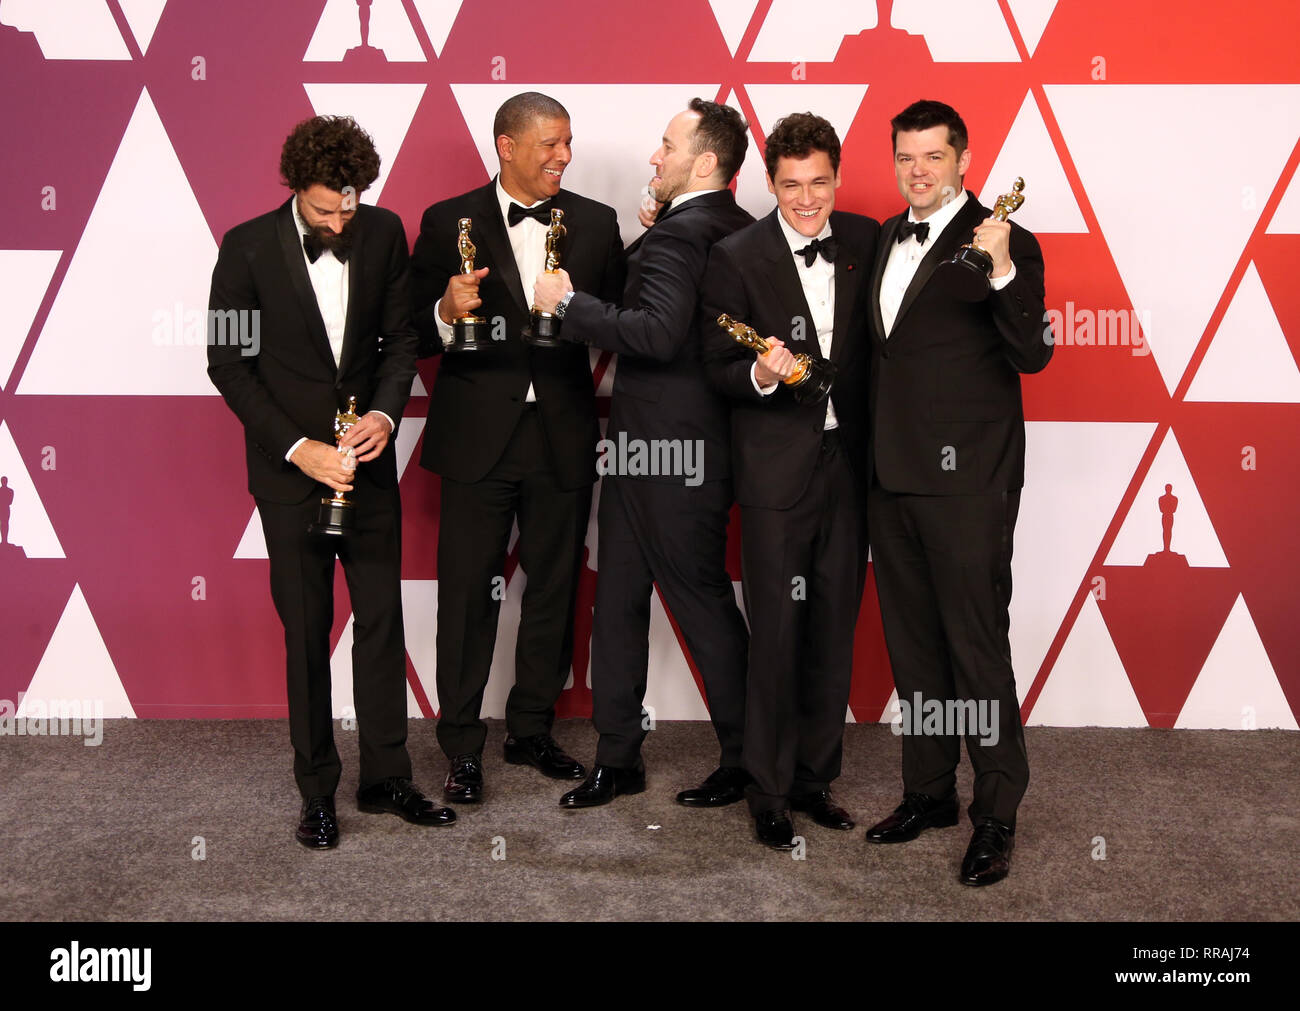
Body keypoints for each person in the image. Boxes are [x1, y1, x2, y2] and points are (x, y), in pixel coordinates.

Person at [208, 115, 455, 850]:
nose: (341, 218)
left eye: (350, 202)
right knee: (308, 634)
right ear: (294, 190)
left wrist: (384, 413)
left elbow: (403, 337)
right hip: (292, 477)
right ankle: (317, 792)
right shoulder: (246, 246)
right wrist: (297, 448)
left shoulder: (382, 233)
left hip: (368, 468)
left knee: (381, 625)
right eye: (325, 208)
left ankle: (387, 779)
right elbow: (229, 365)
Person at [530, 99, 754, 809]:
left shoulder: (686, 235)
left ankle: (749, 757)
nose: (654, 157)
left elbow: (656, 332)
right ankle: (619, 752)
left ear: (705, 162)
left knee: (698, 603)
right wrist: (646, 238)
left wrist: (566, 306)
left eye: (666, 146)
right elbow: (664, 302)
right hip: (655, 454)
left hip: (670, 456)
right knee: (619, 600)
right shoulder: (730, 225)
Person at [409, 92, 626, 804]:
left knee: (555, 588)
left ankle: (531, 729)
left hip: (560, 436)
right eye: (550, 144)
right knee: (466, 595)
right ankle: (462, 748)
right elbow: (410, 332)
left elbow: (625, 325)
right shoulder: (448, 221)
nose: (564, 156)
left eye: (568, 143)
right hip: (477, 439)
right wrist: (447, 311)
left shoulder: (596, 223)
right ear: (506, 145)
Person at [863, 99, 1053, 885]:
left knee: (975, 649)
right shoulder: (882, 234)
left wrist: (1003, 268)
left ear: (965, 160)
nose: (918, 171)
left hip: (967, 480)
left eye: (933, 157)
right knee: (914, 646)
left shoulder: (1006, 240)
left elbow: (1032, 354)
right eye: (906, 156)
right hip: (889, 476)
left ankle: (997, 810)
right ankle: (930, 790)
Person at [699, 112, 878, 849]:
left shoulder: (869, 240)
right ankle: (767, 789)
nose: (808, 199)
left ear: (837, 177)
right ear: (768, 182)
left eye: (820, 182)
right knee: (774, 633)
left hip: (853, 468)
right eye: (792, 184)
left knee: (834, 630)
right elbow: (713, 364)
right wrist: (760, 374)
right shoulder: (737, 255)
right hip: (776, 475)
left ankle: (814, 779)